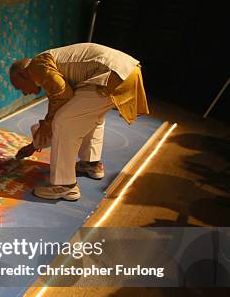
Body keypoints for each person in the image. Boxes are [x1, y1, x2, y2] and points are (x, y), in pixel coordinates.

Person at [9, 43, 149, 201]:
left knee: (63, 122)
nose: (22, 92)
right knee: (86, 114)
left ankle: (65, 186)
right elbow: (62, 98)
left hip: (111, 74)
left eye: (17, 86)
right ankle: (91, 163)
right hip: (127, 71)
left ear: (22, 75)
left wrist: (47, 125)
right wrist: (34, 144)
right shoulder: (44, 66)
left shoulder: (36, 66)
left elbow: (63, 94)